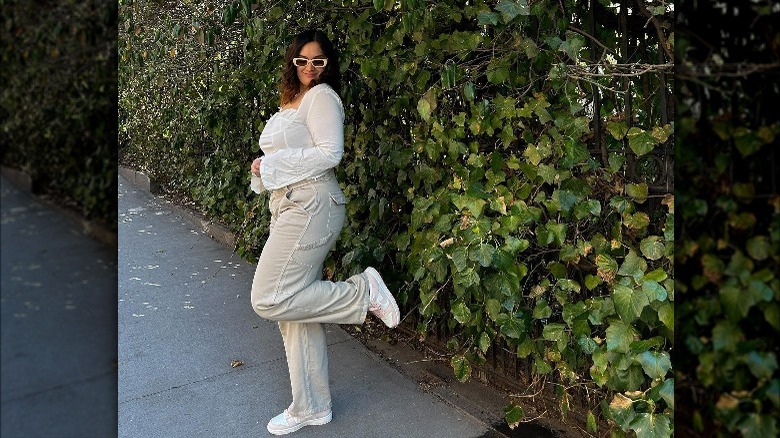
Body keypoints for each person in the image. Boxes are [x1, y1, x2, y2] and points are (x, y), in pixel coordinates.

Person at [248, 29, 400, 436]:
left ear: (328, 64)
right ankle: (311, 407)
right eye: (302, 60)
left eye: (318, 61)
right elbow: (286, 155)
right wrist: (263, 170)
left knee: (268, 297)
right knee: (294, 308)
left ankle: (363, 292)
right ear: (292, 62)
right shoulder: (291, 101)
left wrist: (275, 167)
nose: (310, 68)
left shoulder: (322, 97)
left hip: (312, 205)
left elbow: (330, 152)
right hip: (290, 204)